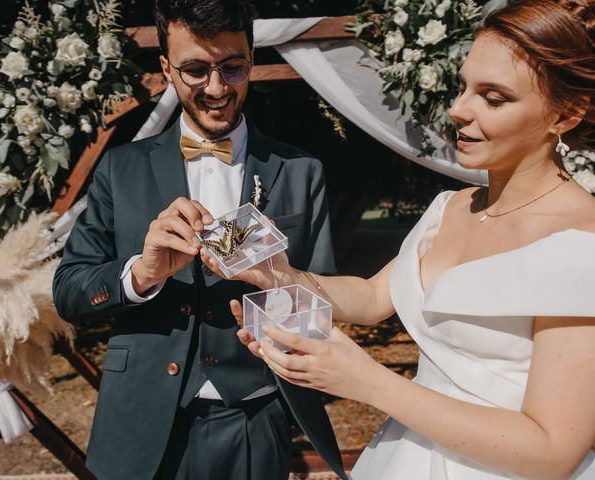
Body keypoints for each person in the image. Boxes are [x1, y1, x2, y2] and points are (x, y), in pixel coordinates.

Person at [203, 0, 595, 478]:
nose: (457, 109)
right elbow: (371, 298)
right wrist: (281, 275)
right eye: (462, 86)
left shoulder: (582, 244)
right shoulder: (451, 207)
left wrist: (367, 381)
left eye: (493, 98)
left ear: (566, 113)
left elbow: (553, 451)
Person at [52, 1, 347, 479]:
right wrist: (140, 275)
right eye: (195, 70)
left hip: (254, 420)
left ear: (251, 59)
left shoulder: (300, 171)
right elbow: (69, 291)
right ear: (166, 68)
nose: (216, 89)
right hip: (140, 423)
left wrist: (279, 291)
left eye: (233, 68)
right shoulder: (121, 169)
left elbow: (327, 304)